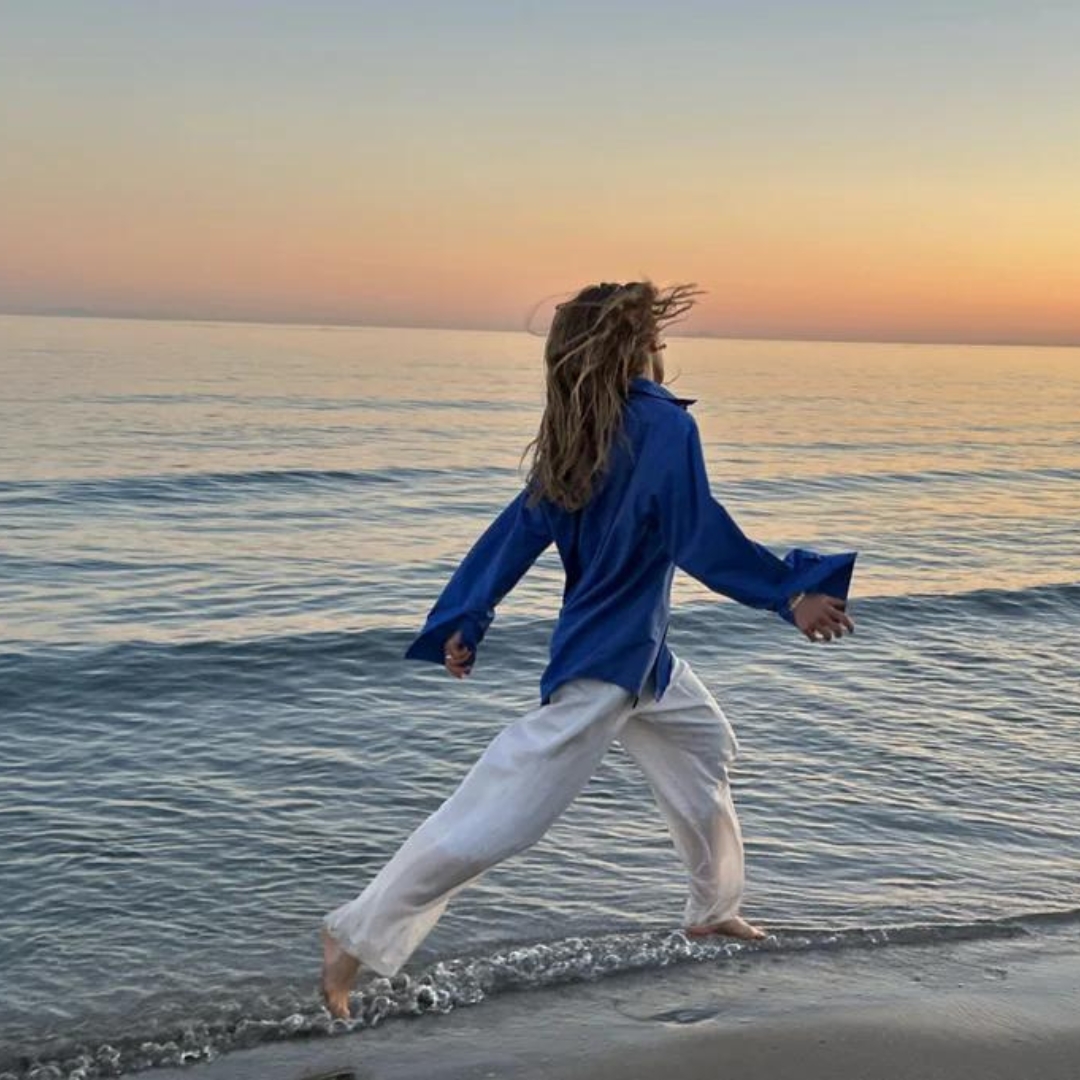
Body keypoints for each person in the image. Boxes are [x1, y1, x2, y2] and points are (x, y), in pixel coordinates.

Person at [320, 281, 856, 1018]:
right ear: (637, 346)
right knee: (505, 813)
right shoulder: (661, 425)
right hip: (608, 662)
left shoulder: (584, 432)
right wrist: (789, 595)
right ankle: (352, 937)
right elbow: (695, 530)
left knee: (705, 747)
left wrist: (463, 620)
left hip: (645, 658)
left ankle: (712, 908)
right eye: (653, 335)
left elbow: (511, 535)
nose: (664, 346)